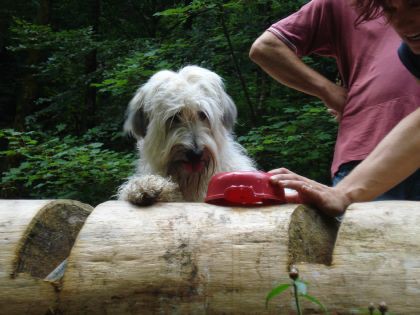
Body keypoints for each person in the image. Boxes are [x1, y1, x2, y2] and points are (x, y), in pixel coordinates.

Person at [249, 0, 420, 207]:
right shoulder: (411, 55)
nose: (402, 22)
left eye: (416, 5)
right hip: (367, 152)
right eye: (389, 9)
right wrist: (344, 194)